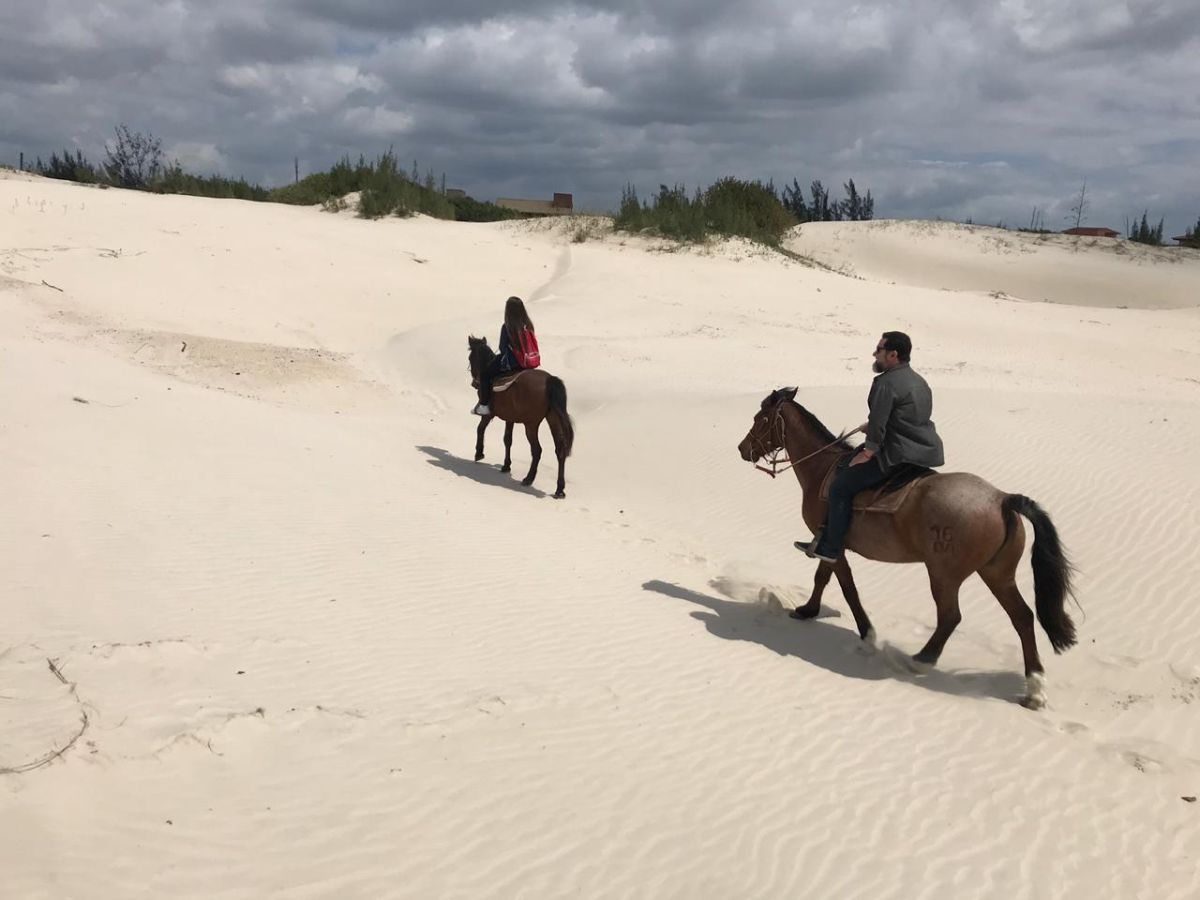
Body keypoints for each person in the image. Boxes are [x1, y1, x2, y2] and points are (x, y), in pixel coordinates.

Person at [795, 331, 944, 563]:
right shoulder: (919, 381)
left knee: (840, 487)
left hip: (897, 455)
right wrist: (874, 423)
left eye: (879, 350)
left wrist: (868, 451)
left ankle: (832, 547)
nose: (875, 354)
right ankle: (825, 535)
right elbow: (906, 416)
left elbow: (880, 425)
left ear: (893, 354)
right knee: (845, 465)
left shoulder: (886, 382)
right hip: (924, 453)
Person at [472, 296, 536, 416]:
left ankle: (484, 406)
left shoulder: (508, 326)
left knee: (485, 374)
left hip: (512, 362)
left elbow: (502, 348)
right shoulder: (528, 324)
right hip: (527, 362)